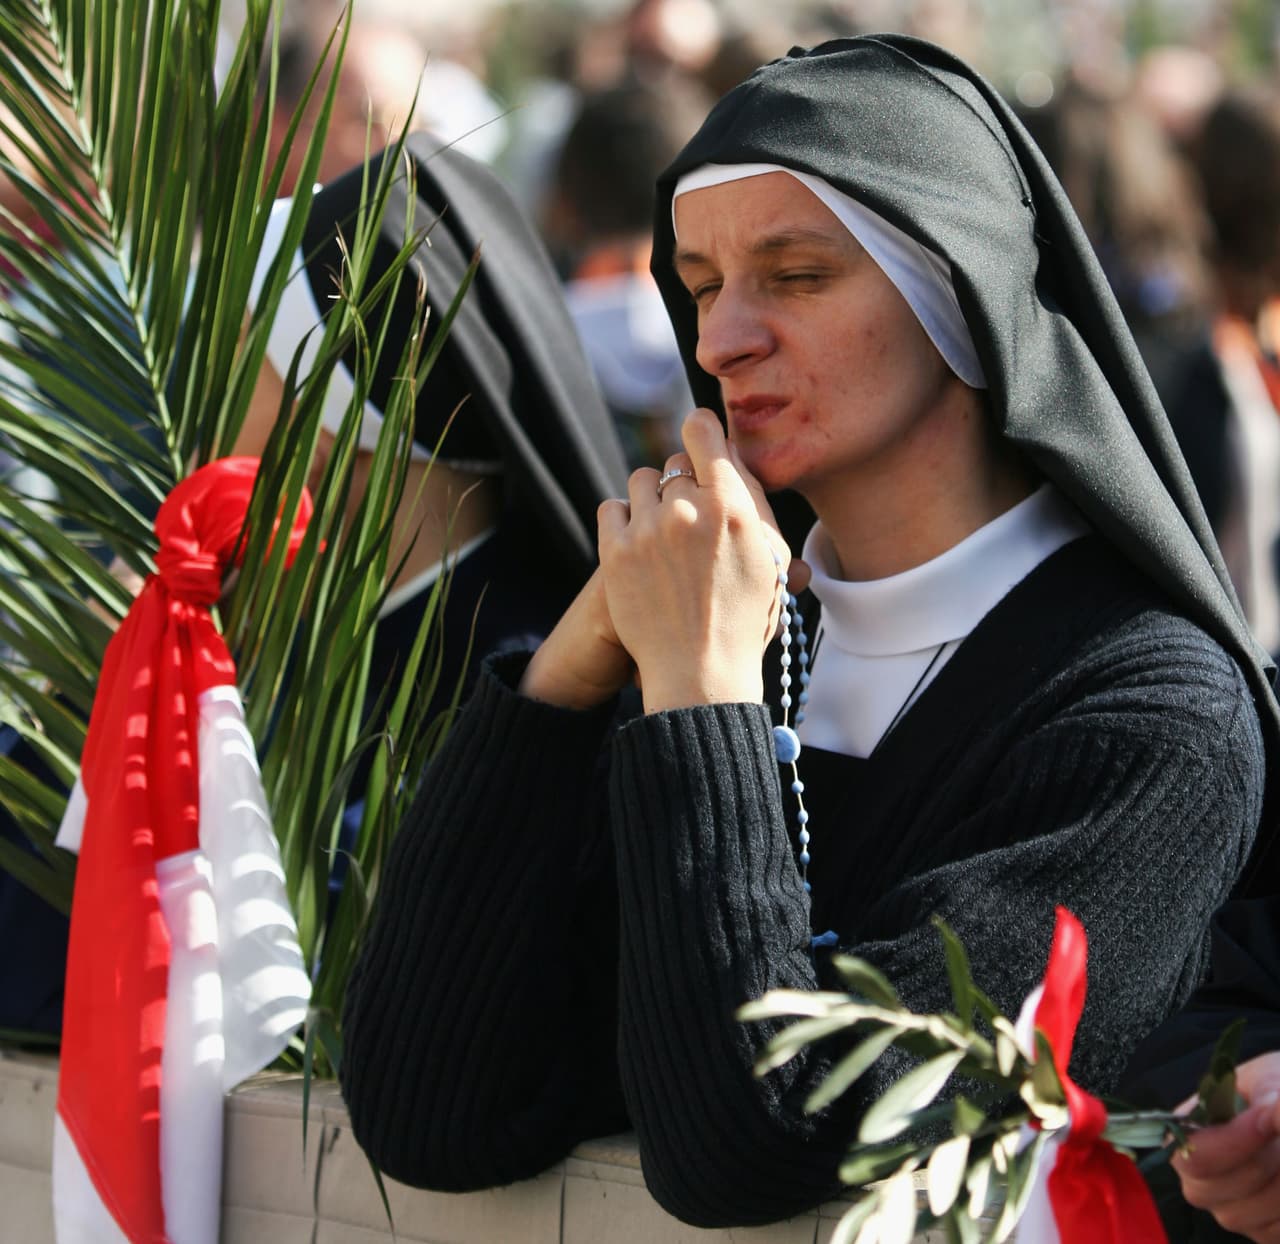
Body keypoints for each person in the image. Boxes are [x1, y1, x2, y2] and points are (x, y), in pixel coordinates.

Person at [340, 36, 1278, 1228]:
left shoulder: (1146, 717)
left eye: (792, 274)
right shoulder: (726, 635)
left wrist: (699, 701)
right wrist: (561, 684)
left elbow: (757, 1141)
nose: (722, 339)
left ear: (960, 292)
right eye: (699, 283)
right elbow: (432, 1106)